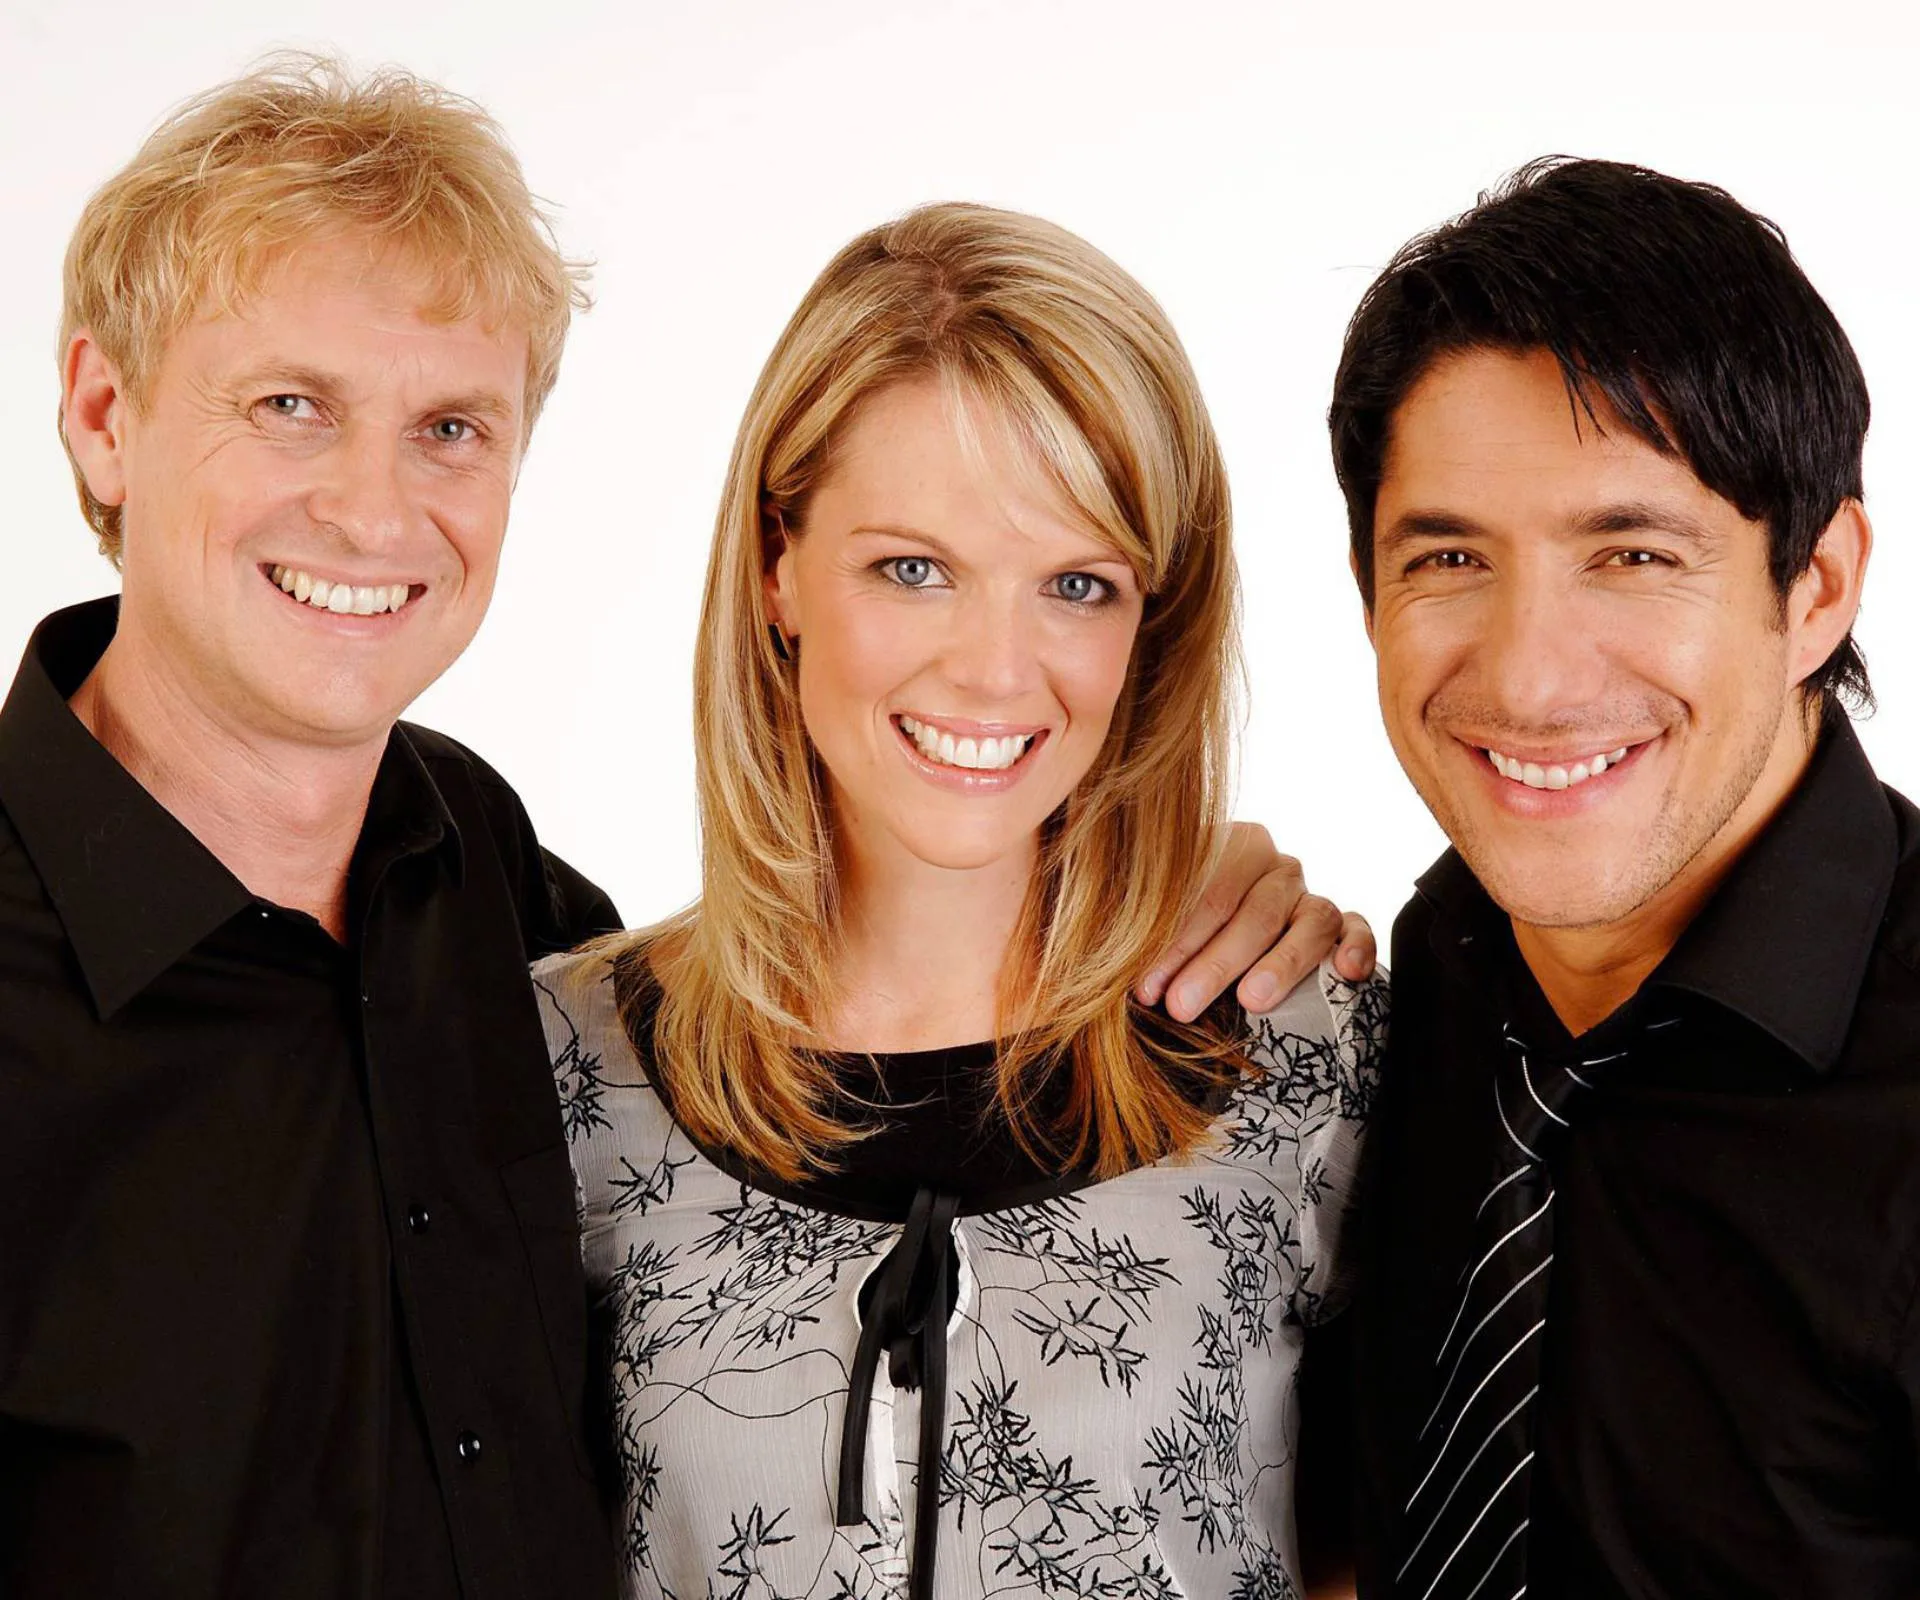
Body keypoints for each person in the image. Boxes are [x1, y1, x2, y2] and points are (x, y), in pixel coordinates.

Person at [0, 58, 1374, 1598]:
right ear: (103, 416)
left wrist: (1200, 881)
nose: (377, 514)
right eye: (289, 406)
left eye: (449, 426)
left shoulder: (502, 929)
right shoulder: (571, 1051)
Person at [532, 201, 1389, 1600]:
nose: (996, 670)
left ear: (1152, 619)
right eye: (914, 569)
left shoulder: (1305, 1055)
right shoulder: (564, 1073)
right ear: (778, 565)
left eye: (1077, 583)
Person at [1328, 158, 1918, 1597]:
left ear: (1817, 586)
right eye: (1449, 557)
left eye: (1634, 554)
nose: (1530, 679)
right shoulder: (1433, 971)